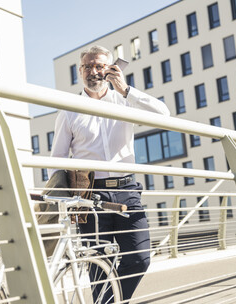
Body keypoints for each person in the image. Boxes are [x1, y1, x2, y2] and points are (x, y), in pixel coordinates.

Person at [50, 45, 170, 301]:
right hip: (89, 196)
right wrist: (64, 201)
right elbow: (57, 159)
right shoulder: (68, 109)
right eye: (88, 67)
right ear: (80, 72)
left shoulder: (125, 101)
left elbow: (164, 115)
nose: (93, 71)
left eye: (99, 66)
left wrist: (125, 90)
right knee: (98, 269)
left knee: (139, 259)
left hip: (126, 192)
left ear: (109, 69)